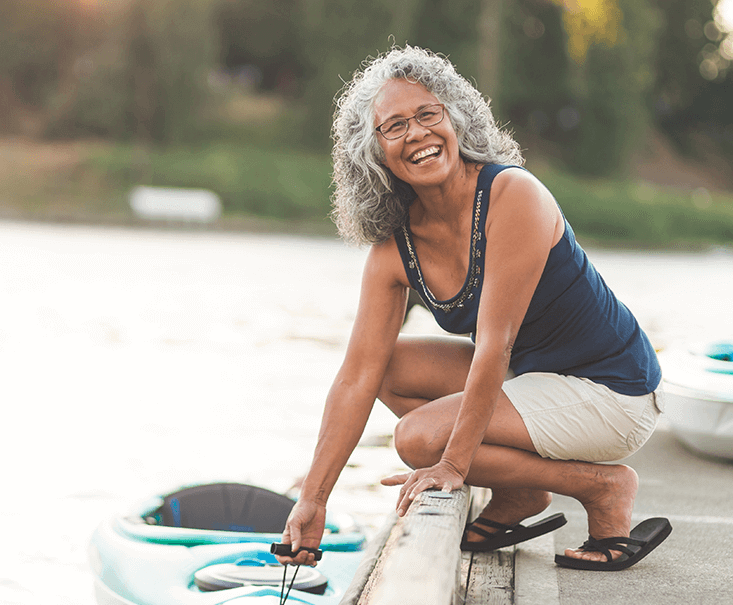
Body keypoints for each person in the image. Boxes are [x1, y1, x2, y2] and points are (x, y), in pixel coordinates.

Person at [276, 45, 671, 572]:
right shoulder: (394, 249)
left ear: (455, 118)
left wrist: (451, 464)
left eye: (427, 114)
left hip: (612, 391)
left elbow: (494, 345)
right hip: (533, 377)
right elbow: (357, 377)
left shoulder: (513, 195)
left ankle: (601, 487)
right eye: (394, 127)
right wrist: (315, 498)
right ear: (372, 152)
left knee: (418, 439)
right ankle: (521, 493)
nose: (416, 133)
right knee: (386, 367)